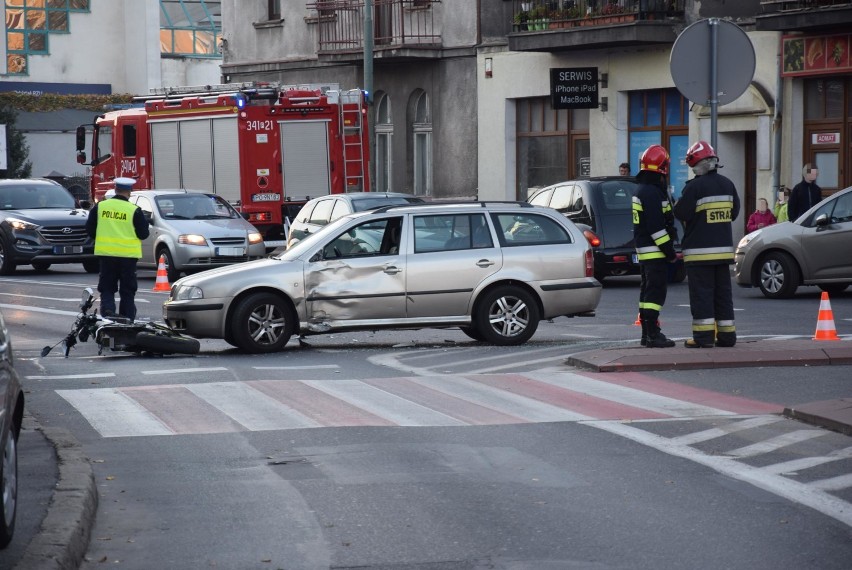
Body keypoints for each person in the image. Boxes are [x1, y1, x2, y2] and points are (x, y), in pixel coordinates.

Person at [674, 140, 740, 349]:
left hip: (699, 254)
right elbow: (734, 213)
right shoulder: (728, 184)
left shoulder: (694, 187)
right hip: (723, 253)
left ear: (696, 164)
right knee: (723, 295)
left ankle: (703, 338)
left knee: (702, 295)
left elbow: (681, 213)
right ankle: (727, 337)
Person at [85, 177, 150, 321]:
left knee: (107, 287)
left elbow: (89, 229)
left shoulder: (100, 207)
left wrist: (103, 236)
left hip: (106, 255)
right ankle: (126, 318)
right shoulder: (134, 210)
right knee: (127, 289)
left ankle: (108, 314)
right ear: (129, 192)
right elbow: (144, 234)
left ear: (115, 190)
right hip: (128, 256)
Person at [632, 144, 677, 348]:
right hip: (655, 252)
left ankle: (646, 334)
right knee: (655, 293)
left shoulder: (643, 189)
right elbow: (657, 228)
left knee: (646, 293)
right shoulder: (651, 192)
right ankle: (653, 335)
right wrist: (670, 252)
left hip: (645, 252)